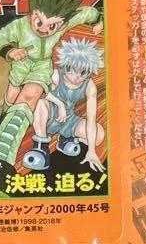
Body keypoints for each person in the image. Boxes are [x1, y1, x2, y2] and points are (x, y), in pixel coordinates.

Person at [0, 0, 102, 199]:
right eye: (39, 22)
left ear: (61, 22)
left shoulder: (66, 22)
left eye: (52, 26)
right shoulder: (19, 26)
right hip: (18, 71)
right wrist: (9, 51)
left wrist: (99, 20)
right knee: (10, 107)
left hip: (40, 70)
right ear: (32, 13)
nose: (45, 30)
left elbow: (88, 13)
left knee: (26, 102)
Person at [22, 37, 105, 173]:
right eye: (71, 69)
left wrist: (91, 151)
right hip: (48, 115)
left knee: (99, 135)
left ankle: (65, 139)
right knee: (40, 103)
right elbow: (34, 90)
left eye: (83, 72)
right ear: (64, 64)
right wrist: (59, 103)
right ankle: (41, 146)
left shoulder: (90, 86)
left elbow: (91, 120)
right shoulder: (55, 75)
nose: (76, 77)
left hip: (68, 120)